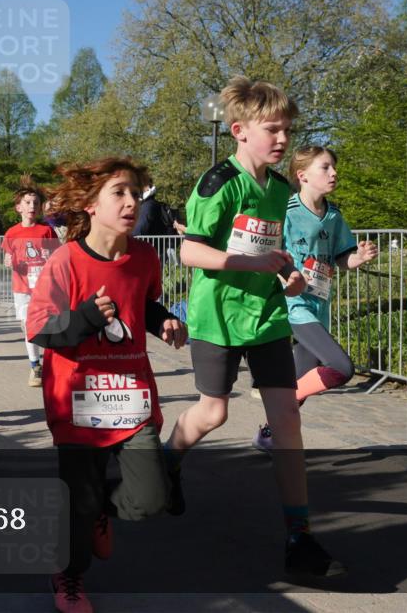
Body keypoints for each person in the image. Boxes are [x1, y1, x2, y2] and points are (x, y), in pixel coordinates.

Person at [163, 77, 345, 579]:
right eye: (274, 129)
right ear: (240, 131)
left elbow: (273, 251)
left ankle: (300, 538)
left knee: (287, 420)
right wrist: (250, 263)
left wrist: (287, 273)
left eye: (288, 129)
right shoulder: (218, 182)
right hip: (217, 317)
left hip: (266, 319)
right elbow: (190, 250)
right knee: (214, 414)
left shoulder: (283, 189)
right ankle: (167, 462)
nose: (284, 138)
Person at [25, 158, 187, 613]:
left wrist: (166, 321)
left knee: (151, 499)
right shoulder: (66, 261)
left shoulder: (144, 257)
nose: (132, 201)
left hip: (132, 395)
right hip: (76, 399)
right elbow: (39, 328)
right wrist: (87, 319)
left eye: (135, 192)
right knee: (77, 500)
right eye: (119, 192)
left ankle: (100, 511)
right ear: (92, 205)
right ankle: (68, 575)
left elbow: (143, 304)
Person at [252, 146, 378, 450]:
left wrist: (358, 257)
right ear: (303, 175)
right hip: (292, 305)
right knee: (340, 368)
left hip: (319, 304)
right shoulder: (287, 210)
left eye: (334, 167)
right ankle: (281, 407)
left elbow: (341, 258)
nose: (333, 173)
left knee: (303, 378)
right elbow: (265, 253)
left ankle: (269, 433)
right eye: (325, 168)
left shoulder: (334, 215)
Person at [1, 177, 59, 387]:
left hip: (45, 288)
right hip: (22, 288)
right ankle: (35, 366)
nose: (32, 206)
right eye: (27, 203)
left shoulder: (46, 231)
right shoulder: (12, 233)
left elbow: (58, 256)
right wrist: (7, 260)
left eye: (35, 203)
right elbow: (7, 257)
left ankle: (53, 364)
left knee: (49, 326)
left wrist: (49, 256)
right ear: (18, 207)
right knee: (28, 326)